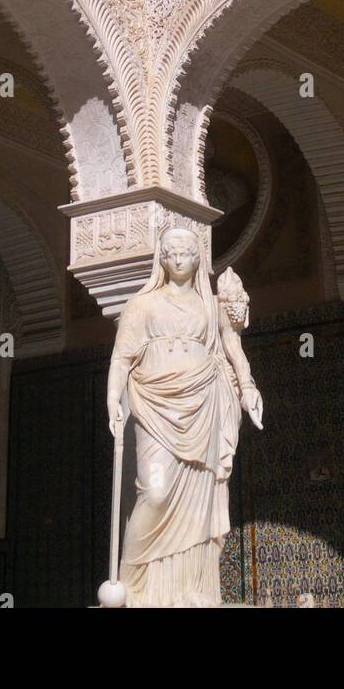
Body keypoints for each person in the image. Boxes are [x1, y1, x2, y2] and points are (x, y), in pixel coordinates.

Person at [107, 226, 263, 607]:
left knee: (201, 498)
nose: (179, 260)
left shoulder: (209, 305)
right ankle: (133, 581)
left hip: (204, 403)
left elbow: (232, 344)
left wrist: (248, 388)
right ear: (161, 257)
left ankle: (193, 588)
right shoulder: (141, 305)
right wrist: (113, 397)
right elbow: (122, 357)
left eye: (187, 254)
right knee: (155, 492)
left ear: (198, 259)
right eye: (172, 253)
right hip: (154, 404)